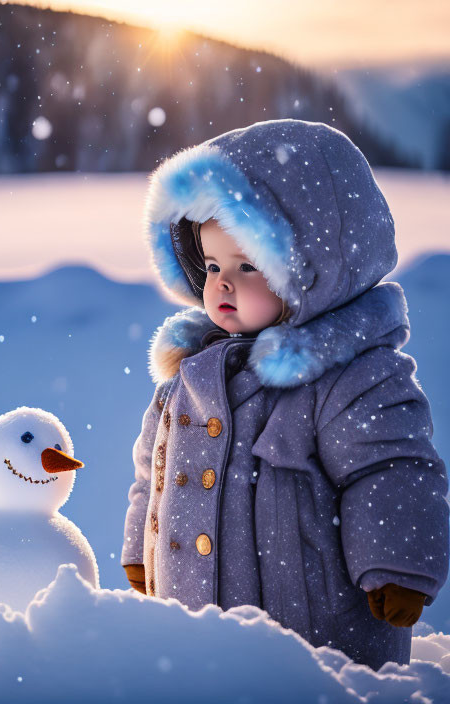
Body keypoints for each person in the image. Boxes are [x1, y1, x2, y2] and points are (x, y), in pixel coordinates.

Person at [120, 119, 449, 671]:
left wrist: (397, 565)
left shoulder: (353, 378)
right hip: (192, 641)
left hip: (312, 639)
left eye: (249, 266)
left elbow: (392, 466)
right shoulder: (190, 375)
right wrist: (141, 552)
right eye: (213, 264)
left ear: (312, 274)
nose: (221, 284)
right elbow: (151, 472)